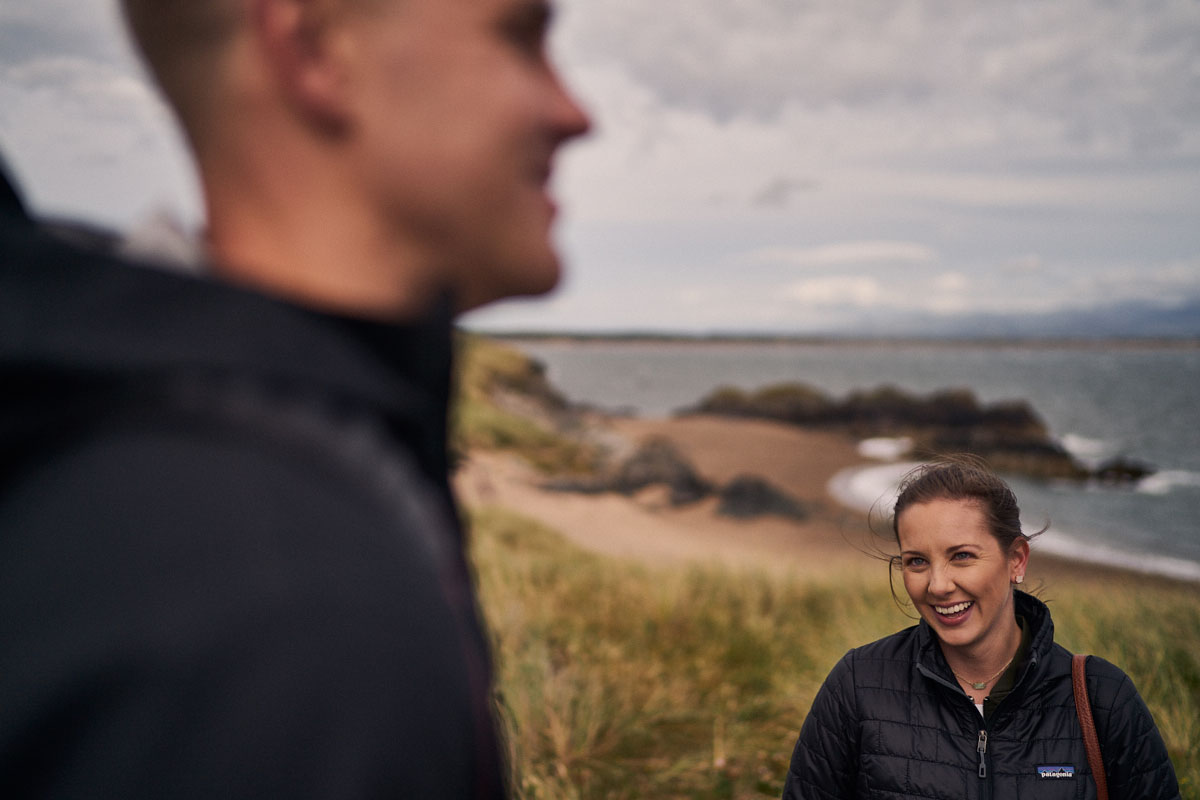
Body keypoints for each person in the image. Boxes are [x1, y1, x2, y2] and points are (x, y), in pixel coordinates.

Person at [0, 0, 588, 796]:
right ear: (315, 54)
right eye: (520, 36)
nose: (574, 112)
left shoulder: (152, 460)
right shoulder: (281, 604)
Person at [781, 460, 1180, 799]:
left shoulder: (1102, 699)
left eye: (962, 556)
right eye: (917, 562)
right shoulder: (858, 684)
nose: (937, 584)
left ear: (1017, 560)